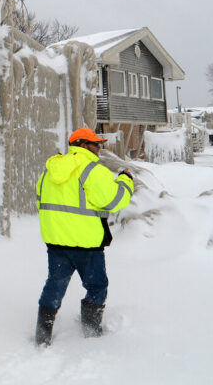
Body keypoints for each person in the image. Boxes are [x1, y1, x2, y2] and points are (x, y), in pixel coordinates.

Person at [34, 127, 134, 346]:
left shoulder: (49, 171)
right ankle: (91, 333)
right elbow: (114, 200)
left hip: (56, 242)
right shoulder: (91, 170)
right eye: (96, 144)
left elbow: (40, 201)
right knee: (97, 286)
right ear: (83, 145)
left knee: (55, 284)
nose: (99, 148)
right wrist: (126, 181)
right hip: (86, 245)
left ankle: (42, 337)